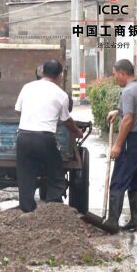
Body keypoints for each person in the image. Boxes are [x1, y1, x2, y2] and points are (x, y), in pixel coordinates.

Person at [15, 59, 84, 213]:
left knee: (25, 174)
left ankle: (27, 209)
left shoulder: (27, 87)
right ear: (60, 75)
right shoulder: (61, 94)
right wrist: (77, 132)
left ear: (42, 72)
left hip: (23, 137)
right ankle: (53, 208)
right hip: (44, 139)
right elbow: (66, 120)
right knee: (55, 172)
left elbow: (18, 110)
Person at [103, 59, 137, 234]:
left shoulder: (128, 92)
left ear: (123, 73)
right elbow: (133, 112)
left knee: (118, 180)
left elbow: (129, 119)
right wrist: (118, 111)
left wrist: (117, 145)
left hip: (131, 140)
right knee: (136, 180)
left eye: (115, 74)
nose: (115, 77)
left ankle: (112, 222)